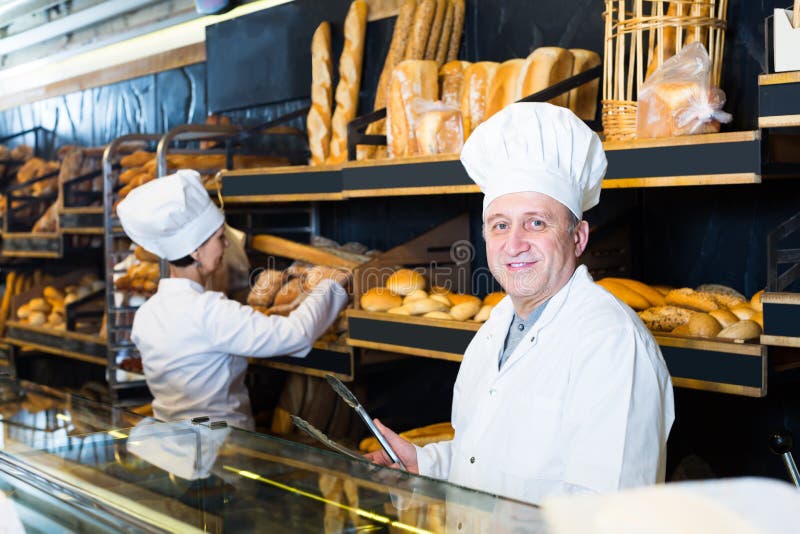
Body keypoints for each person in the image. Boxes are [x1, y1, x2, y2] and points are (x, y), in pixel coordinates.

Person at [368, 103, 675, 504]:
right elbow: (489, 458)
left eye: (536, 222)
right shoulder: (499, 323)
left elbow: (607, 513)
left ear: (578, 238)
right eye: (500, 225)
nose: (514, 244)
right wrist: (426, 466)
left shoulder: (611, 344)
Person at [117, 169, 349, 430]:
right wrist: (333, 284)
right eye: (219, 237)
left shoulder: (148, 314)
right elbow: (294, 335)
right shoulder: (209, 312)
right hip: (220, 452)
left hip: (171, 446)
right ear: (195, 250)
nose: (226, 245)